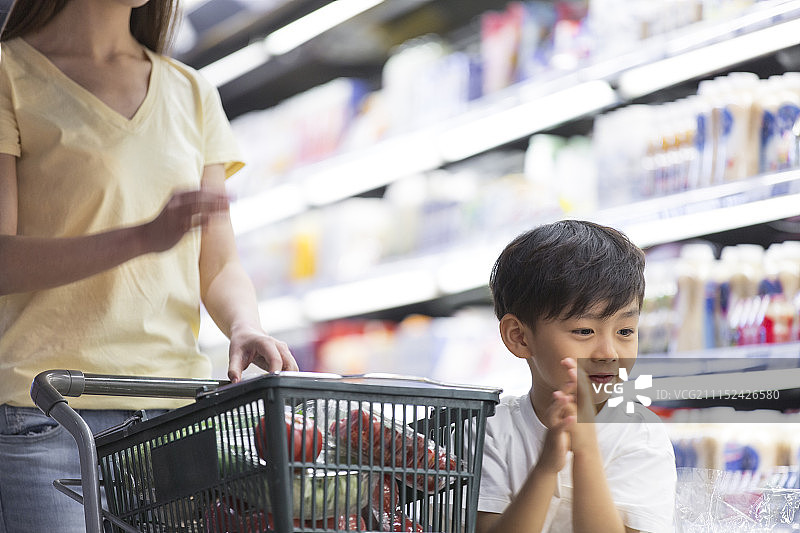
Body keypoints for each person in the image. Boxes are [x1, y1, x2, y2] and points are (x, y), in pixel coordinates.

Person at [0, 1, 298, 531]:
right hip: (49, 411)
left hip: (176, 411)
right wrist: (141, 237)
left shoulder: (191, 91)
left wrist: (244, 325)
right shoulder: (9, 75)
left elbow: (219, 260)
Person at [476, 220, 676, 533]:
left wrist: (585, 452)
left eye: (625, 331)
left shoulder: (640, 436)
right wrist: (545, 468)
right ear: (520, 337)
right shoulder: (491, 431)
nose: (608, 352)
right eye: (584, 330)